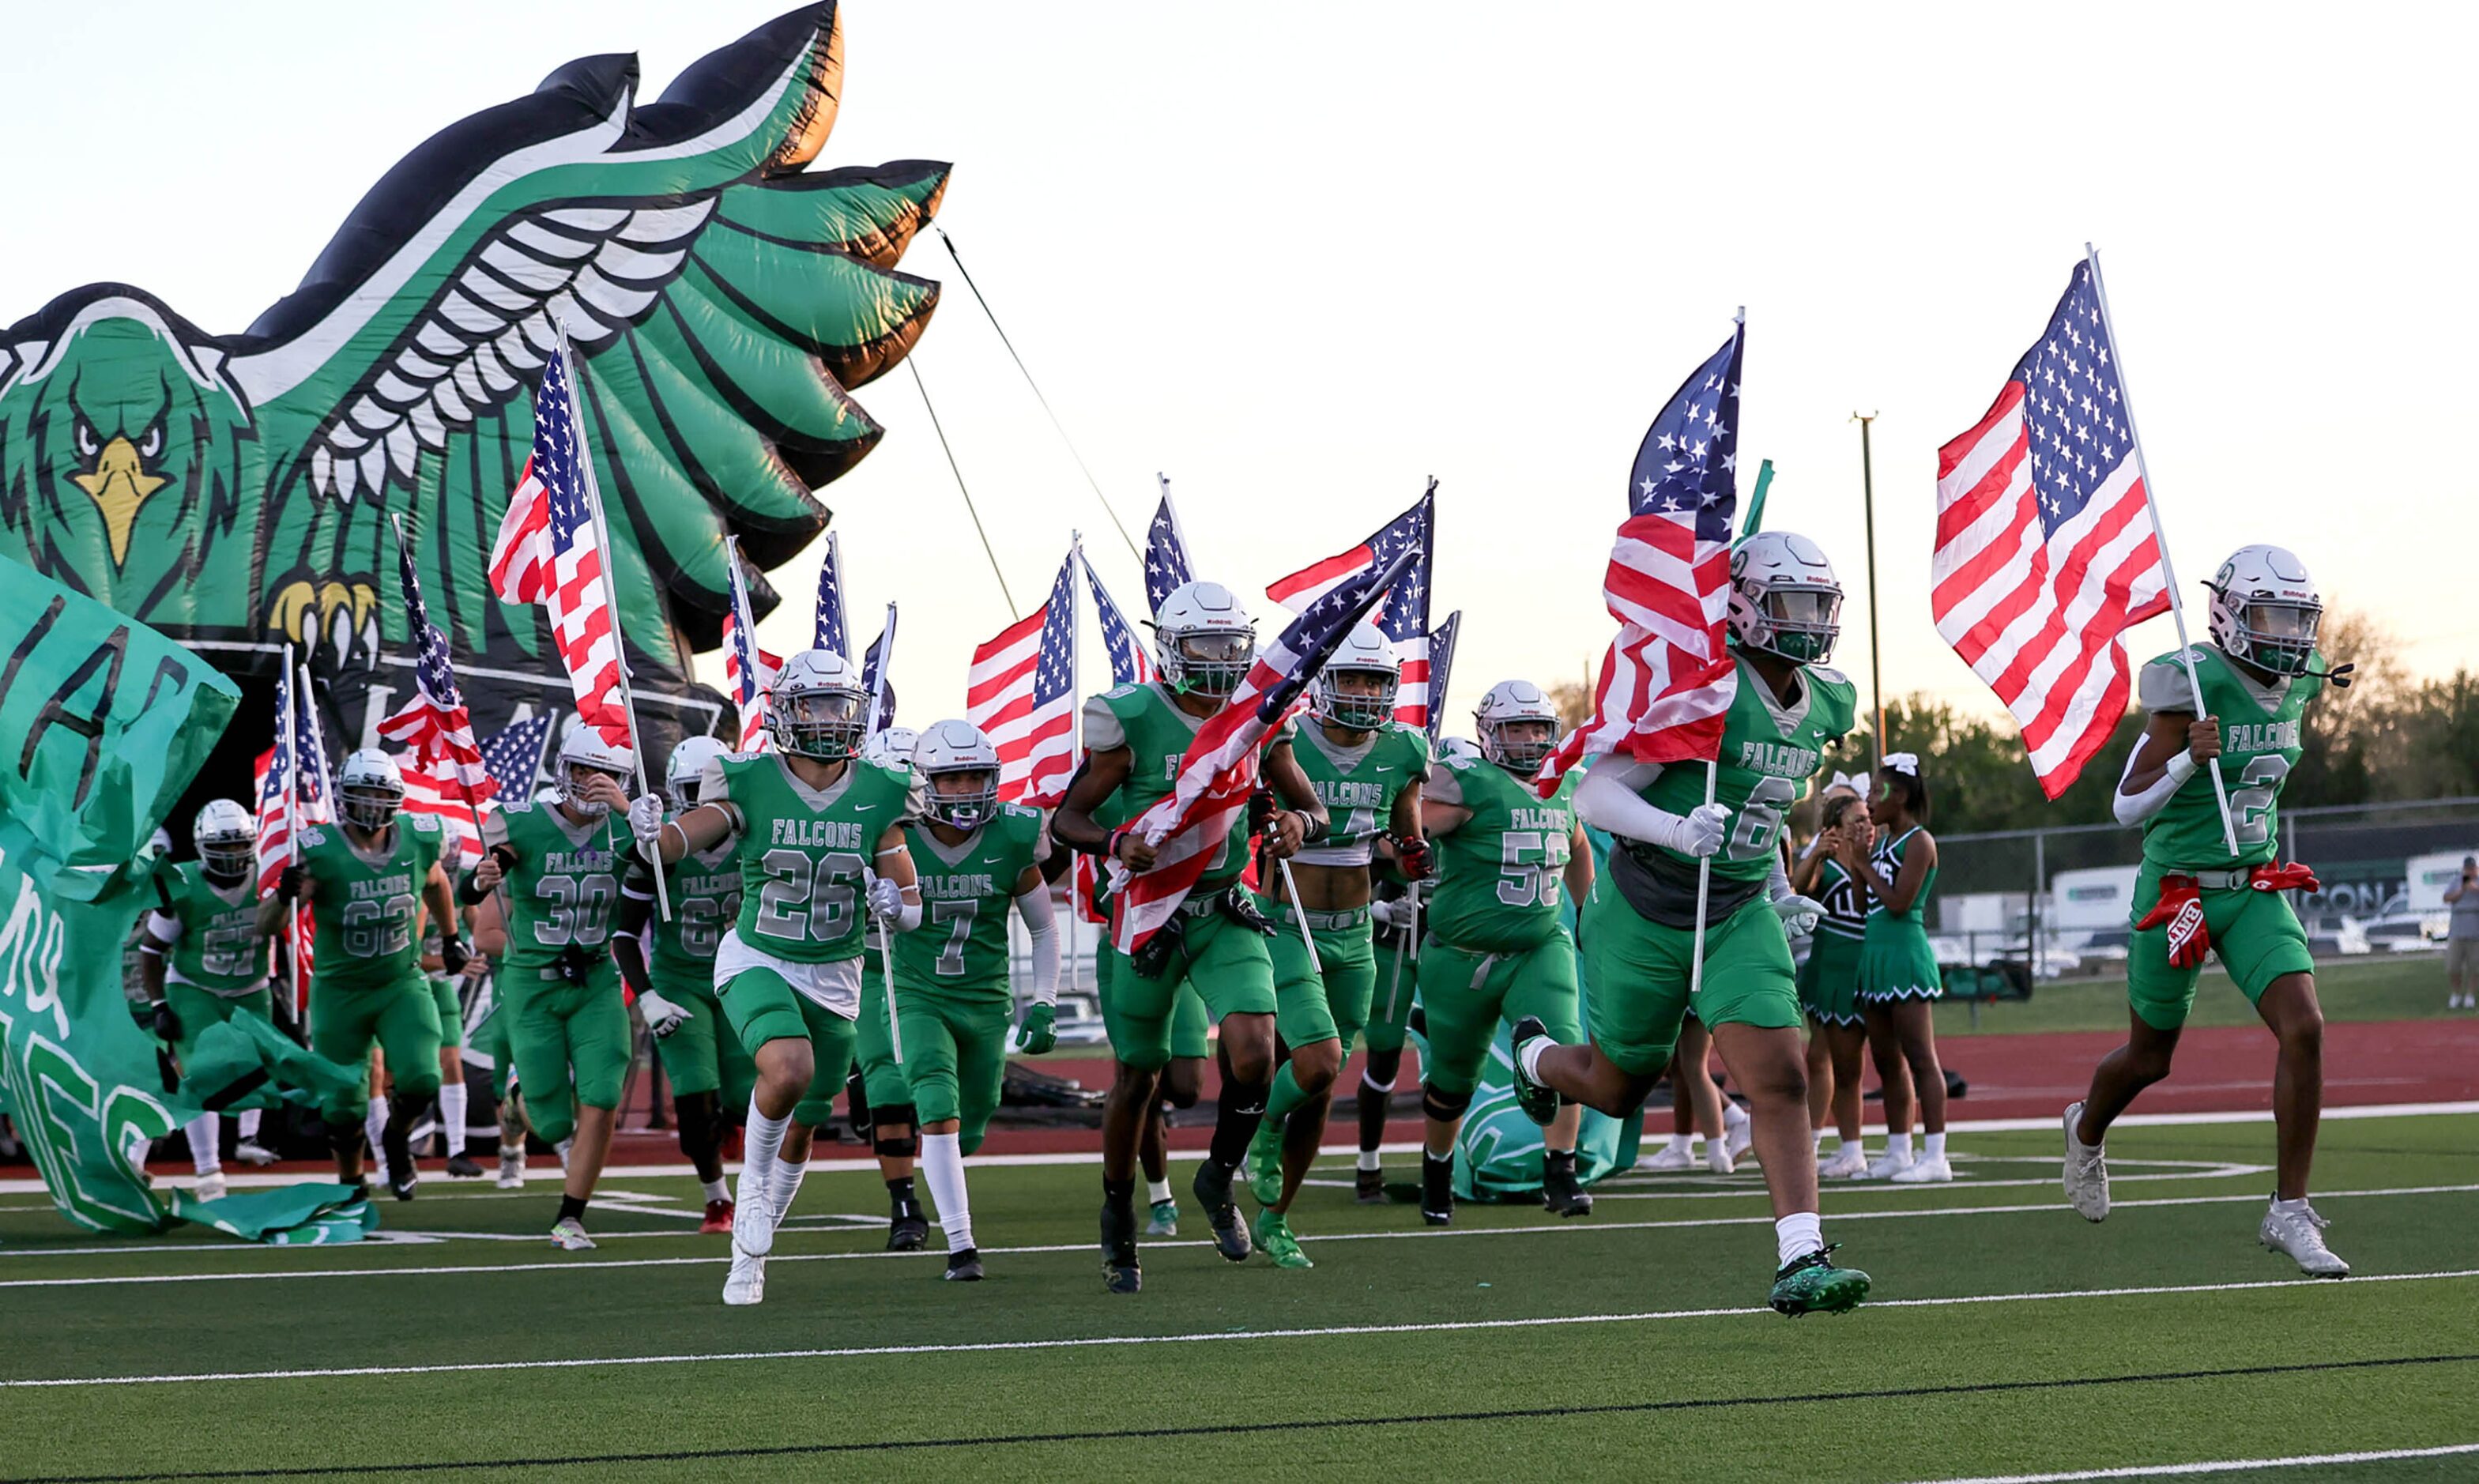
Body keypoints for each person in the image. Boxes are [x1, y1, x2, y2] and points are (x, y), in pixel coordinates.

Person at [1510, 530, 1867, 1316]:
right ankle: (1535, 1058)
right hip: (1644, 906)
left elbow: (1768, 804)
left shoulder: (1829, 699)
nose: (1806, 620)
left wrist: (1775, 886)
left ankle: (1799, 1254)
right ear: (1740, 605)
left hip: (1737, 911)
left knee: (1777, 1072)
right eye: (1788, 602)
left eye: (1816, 602)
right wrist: (1674, 830)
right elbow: (1594, 794)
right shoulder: (1698, 687)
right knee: (1614, 1086)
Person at [2065, 544, 2348, 1277]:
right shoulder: (2189, 680)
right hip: (2177, 892)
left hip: (2252, 886)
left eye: (2296, 617)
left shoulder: (2296, 687)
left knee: (2305, 1026)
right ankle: (2086, 1130)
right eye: (2269, 615)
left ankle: (2289, 1210)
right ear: (2227, 614)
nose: (2285, 633)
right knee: (2149, 1058)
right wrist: (2188, 759)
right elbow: (2126, 806)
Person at [1049, 579, 1328, 1294]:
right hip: (1146, 916)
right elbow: (1067, 819)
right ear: (1170, 648)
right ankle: (1117, 1211)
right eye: (1201, 644)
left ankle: (1215, 1177)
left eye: (1230, 645)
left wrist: (1302, 825)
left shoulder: (1258, 715)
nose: (1216, 659)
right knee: (1137, 1077)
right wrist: (1114, 841)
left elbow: (1308, 804)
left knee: (1256, 1050)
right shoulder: (1133, 717)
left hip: (1221, 907)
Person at [628, 648, 924, 1306]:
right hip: (757, 955)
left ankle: (748, 1258)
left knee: (805, 1121)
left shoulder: (880, 788)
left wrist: (895, 907)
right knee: (786, 1071)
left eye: (838, 704)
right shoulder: (748, 776)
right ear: (786, 712)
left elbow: (910, 905)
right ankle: (751, 1196)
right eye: (814, 705)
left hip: (837, 973)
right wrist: (652, 832)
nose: (828, 719)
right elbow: (687, 838)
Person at [1244, 623, 1430, 1267]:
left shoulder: (1406, 745)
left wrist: (1413, 856)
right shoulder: (1283, 737)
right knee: (1316, 1061)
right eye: (1349, 678)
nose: (1361, 692)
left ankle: (1276, 1218)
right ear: (1324, 681)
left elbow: (1402, 830)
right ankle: (1261, 1133)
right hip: (1286, 918)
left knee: (1323, 1085)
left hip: (1355, 930)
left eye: (1374, 681)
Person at [1412, 680, 1593, 1227]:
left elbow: (1578, 844)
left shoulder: (1561, 785)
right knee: (1452, 1080)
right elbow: (1411, 827)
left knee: (1567, 1048)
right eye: (1516, 728)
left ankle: (1560, 1171)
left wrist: (1585, 913)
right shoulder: (1468, 783)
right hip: (1460, 955)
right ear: (1489, 734)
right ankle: (1437, 1167)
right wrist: (1407, 840)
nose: (1529, 739)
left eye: (1538, 727)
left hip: (1538, 945)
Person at [887, 720, 1061, 1281]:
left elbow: (1043, 929)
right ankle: (962, 1246)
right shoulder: (895, 832)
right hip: (917, 994)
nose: (965, 789)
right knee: (937, 1105)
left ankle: (943, 1180)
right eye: (952, 777)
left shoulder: (1013, 835)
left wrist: (1045, 1002)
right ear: (925, 781)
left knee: (974, 1120)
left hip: (985, 1001)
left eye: (975, 777)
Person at [260, 750, 468, 1200]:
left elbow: (435, 881)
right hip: (341, 990)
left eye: (381, 794)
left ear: (396, 800)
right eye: (363, 794)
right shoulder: (323, 852)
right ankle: (351, 1184)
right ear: (344, 798)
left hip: (399, 982)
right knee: (344, 1105)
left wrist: (450, 937)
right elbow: (267, 927)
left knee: (421, 1077)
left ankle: (396, 1140)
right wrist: (284, 896)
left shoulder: (416, 838)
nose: (373, 804)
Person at [462, 725, 639, 1250]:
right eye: (585, 770)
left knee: (603, 1093)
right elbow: (475, 883)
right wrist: (482, 877)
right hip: (531, 983)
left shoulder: (629, 829)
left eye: (607, 774)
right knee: (551, 1114)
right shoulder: (520, 823)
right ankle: (517, 1107)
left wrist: (632, 812)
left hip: (595, 979)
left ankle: (571, 1216)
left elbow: (669, 855)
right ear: (567, 771)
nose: (594, 783)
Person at [612, 734, 755, 1234]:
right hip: (683, 980)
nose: (704, 804)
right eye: (695, 790)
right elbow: (624, 934)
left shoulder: (753, 838)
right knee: (696, 1097)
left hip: (742, 976)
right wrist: (647, 995)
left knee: (747, 1097)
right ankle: (717, 1199)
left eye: (714, 790)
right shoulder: (660, 851)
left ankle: (733, 1126)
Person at [138, 800, 280, 1200]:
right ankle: (208, 1170)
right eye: (225, 848)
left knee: (259, 1063)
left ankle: (249, 1137)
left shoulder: (267, 876)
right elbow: (151, 949)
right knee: (203, 1072)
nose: (234, 856)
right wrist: (159, 1005)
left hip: (251, 987)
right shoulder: (184, 885)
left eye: (240, 846)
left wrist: (286, 893)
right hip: (194, 987)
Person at [1845, 755, 1950, 1183]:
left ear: (1900, 795)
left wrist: (1865, 864)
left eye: (1876, 791)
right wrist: (1859, 859)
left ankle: (1936, 1156)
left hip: (1905, 955)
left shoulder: (1920, 843)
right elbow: (1861, 903)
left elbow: (1899, 903)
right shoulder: (1883, 844)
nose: (1869, 801)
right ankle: (1898, 1151)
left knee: (1921, 1058)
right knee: (1887, 1061)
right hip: (1875, 955)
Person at [852, 725, 932, 1252]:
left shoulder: (949, 834)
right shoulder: (854, 827)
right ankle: (903, 1203)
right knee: (885, 1083)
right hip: (868, 969)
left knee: (958, 1107)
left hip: (936, 976)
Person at [1791, 790, 1871, 1179]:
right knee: (1818, 1058)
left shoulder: (1874, 858)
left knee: (1850, 1064)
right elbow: (1798, 888)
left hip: (1860, 969)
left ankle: (1863, 1148)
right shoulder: (1827, 864)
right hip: (1827, 969)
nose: (1865, 825)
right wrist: (1817, 852)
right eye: (1856, 820)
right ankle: (1816, 1141)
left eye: (1867, 818)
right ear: (1835, 828)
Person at [417, 923, 485, 1179]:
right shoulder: (418, 888)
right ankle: (387, 1156)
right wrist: (451, 961)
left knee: (451, 1061)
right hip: (405, 987)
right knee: (395, 1073)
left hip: (439, 984)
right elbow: (403, 957)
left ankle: (457, 1152)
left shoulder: (456, 887)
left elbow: (479, 921)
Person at [2445, 857, 2477, 1011]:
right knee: (2453, 966)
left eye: (2472, 868)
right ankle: (2456, 994)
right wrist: (2462, 890)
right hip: (2457, 929)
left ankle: (2470, 995)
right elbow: (2447, 898)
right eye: (2467, 868)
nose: (2470, 871)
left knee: (2476, 966)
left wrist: (2475, 889)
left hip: (2475, 930)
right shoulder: (2456, 881)